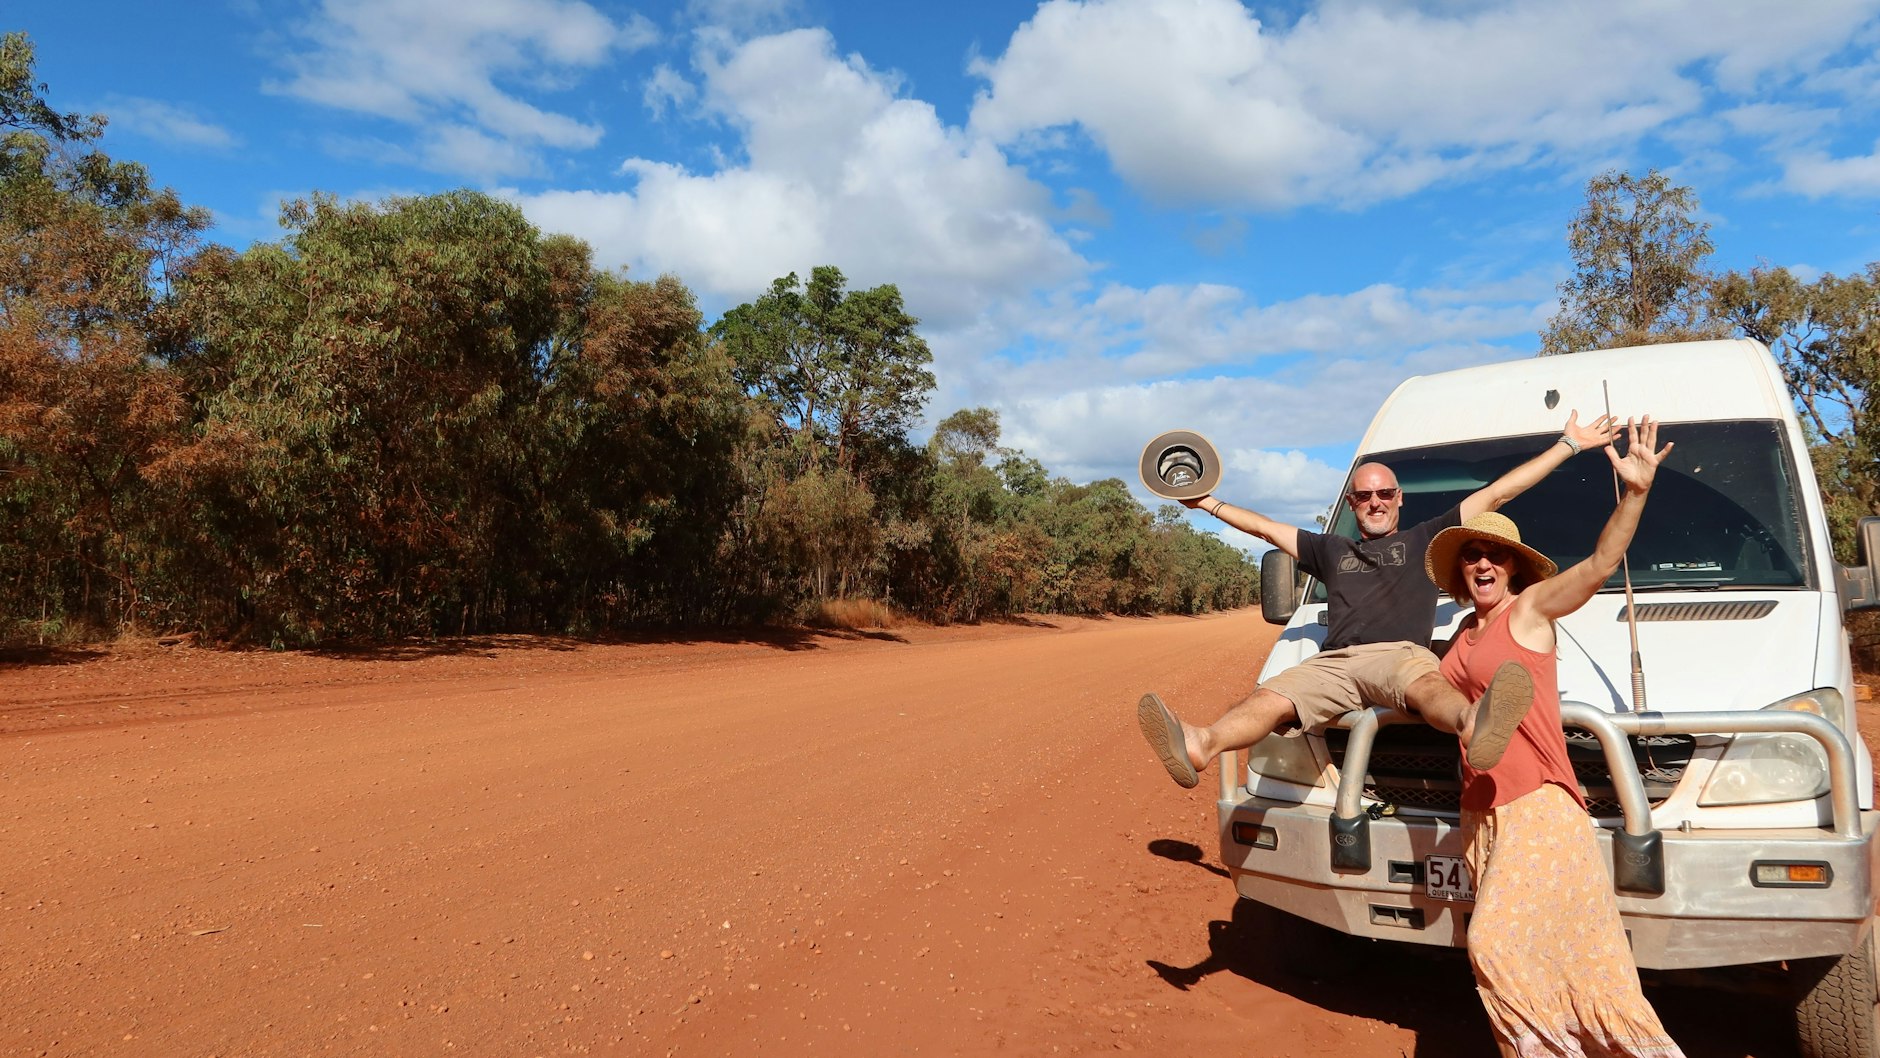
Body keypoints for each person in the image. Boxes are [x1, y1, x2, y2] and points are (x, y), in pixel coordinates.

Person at [1139, 411, 1619, 788]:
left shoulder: (1426, 539)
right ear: (1350, 503)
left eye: (1384, 493)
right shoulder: (1329, 548)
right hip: (1335, 662)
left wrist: (1569, 445)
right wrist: (1205, 503)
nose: (1375, 502)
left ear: (1399, 498)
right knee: (1273, 694)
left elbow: (1497, 494)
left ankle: (1474, 723)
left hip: (1398, 654)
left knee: (1427, 684)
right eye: (1364, 496)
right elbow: (1263, 526)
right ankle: (1203, 742)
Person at [1425, 416, 1683, 1058]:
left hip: (1537, 803)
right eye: (1472, 557)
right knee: (1560, 957)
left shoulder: (1530, 611)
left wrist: (1635, 495)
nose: (1482, 563)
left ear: (1513, 567)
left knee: (1495, 944)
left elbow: (1599, 563)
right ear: (1462, 572)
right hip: (1480, 811)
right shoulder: (1461, 634)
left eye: (1495, 555)